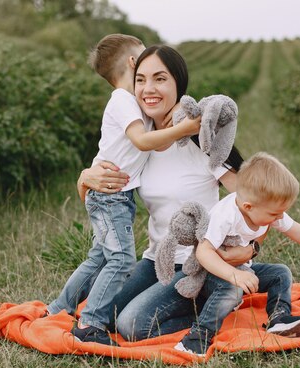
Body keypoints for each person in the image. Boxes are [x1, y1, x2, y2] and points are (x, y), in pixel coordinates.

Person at [76, 44, 253, 340]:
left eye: (160, 79)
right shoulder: (138, 144)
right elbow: (101, 206)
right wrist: (84, 180)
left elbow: (252, 200)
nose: (148, 89)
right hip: (156, 260)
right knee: (105, 315)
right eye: (141, 80)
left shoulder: (199, 139)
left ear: (178, 84)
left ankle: (215, 300)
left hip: (200, 262)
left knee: (132, 325)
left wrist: (250, 248)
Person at [45, 35, 200, 346]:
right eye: (144, 60)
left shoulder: (132, 102)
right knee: (120, 260)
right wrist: (184, 128)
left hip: (114, 196)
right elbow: (142, 142)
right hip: (110, 195)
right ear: (133, 62)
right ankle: (90, 324)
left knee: (99, 258)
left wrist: (183, 107)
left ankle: (59, 309)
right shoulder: (122, 100)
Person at [173, 152, 300, 356]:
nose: (279, 218)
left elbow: (296, 229)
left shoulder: (262, 208)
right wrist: (234, 275)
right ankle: (197, 337)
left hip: (239, 270)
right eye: (275, 214)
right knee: (232, 289)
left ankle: (279, 319)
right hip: (211, 274)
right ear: (248, 206)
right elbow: (204, 253)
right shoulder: (225, 216)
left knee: (280, 273)